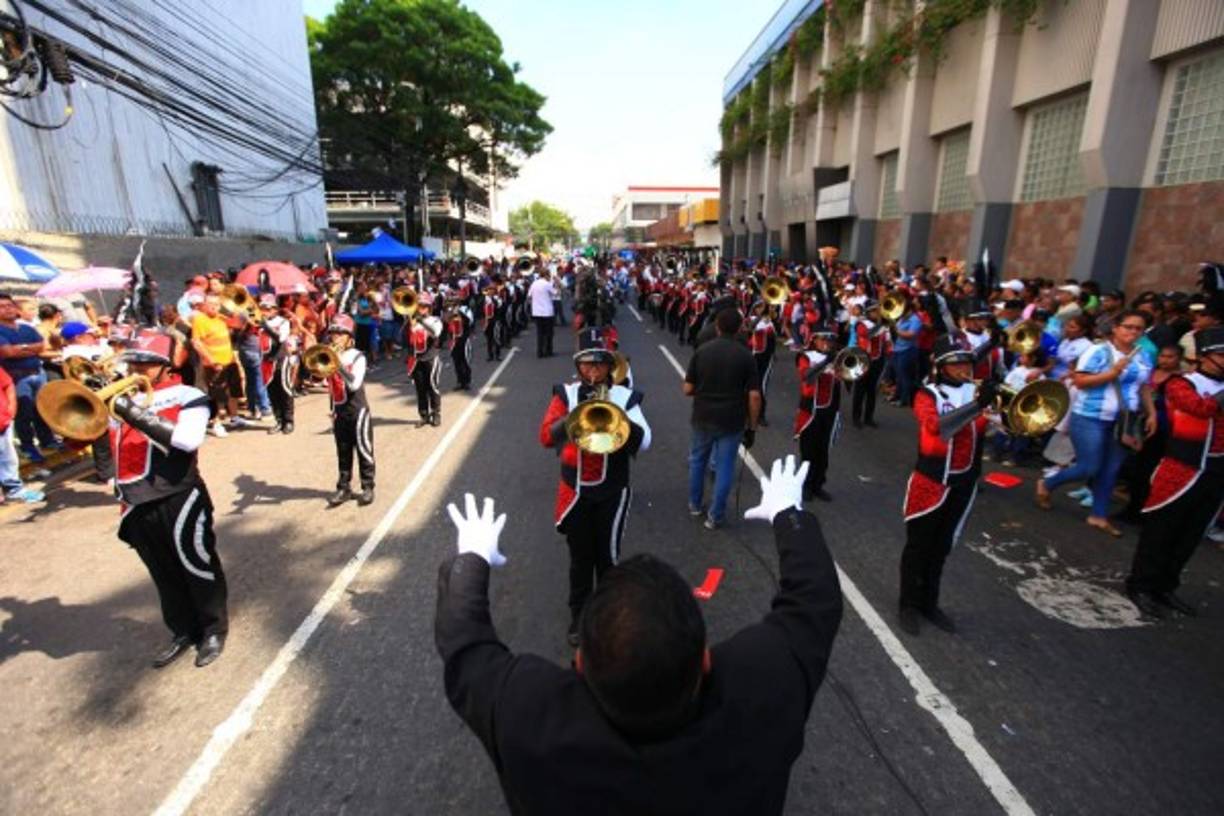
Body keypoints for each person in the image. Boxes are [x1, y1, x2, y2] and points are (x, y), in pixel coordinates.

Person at [434, 456, 842, 816]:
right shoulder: (764, 687)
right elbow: (814, 599)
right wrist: (791, 514)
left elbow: (463, 642)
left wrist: (471, 556)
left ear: (579, 665)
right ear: (704, 658)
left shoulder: (525, 715)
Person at [108, 331, 226, 668]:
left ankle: (213, 629)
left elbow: (186, 441)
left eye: (145, 363)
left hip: (178, 495)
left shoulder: (188, 396)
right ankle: (183, 630)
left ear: (164, 367)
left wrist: (130, 410)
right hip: (133, 499)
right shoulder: (119, 399)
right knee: (162, 572)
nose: (136, 369)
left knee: (196, 563)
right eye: (133, 361)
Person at [538, 335, 651, 646]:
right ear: (579, 367)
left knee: (609, 557)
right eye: (587, 364)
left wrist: (618, 417)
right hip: (574, 491)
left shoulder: (625, 397)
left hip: (613, 490)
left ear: (609, 368)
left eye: (599, 364)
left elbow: (646, 441)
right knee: (580, 558)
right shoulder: (566, 394)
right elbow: (546, 437)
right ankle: (580, 615)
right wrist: (573, 418)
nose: (592, 371)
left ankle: (610, 616)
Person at [899, 335, 995, 636]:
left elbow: (999, 425)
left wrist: (998, 410)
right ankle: (908, 605)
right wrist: (978, 406)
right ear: (941, 367)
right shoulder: (927, 394)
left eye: (966, 361)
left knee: (941, 547)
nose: (963, 367)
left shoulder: (977, 390)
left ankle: (930, 602)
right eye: (955, 363)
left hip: (964, 481)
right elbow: (937, 428)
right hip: (932, 481)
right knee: (918, 546)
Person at [1126, 327, 1224, 618]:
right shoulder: (1182, 383)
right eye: (1222, 355)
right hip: (1181, 470)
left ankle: (1165, 587)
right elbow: (1200, 408)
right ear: (1205, 357)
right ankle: (1141, 585)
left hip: (1216, 471)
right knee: (1161, 532)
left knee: (1190, 534)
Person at [1036, 310, 1156, 537]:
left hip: (1124, 420)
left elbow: (1143, 387)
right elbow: (1080, 381)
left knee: (1110, 469)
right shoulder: (1098, 351)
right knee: (1090, 466)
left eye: (1138, 328)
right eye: (1128, 326)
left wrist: (1151, 414)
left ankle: (1098, 515)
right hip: (1090, 416)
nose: (1133, 332)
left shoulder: (1143, 356)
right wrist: (1112, 373)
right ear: (1116, 328)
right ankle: (1048, 483)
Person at [684, 307, 761, 530]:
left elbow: (687, 388)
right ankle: (715, 515)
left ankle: (695, 504)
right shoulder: (746, 355)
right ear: (739, 328)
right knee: (725, 466)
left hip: (703, 415)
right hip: (732, 419)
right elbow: (754, 396)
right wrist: (752, 427)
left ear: (717, 326)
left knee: (698, 460)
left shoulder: (702, 351)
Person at [0, 292, 58, 462]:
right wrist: (31, 348)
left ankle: (48, 441)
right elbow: (7, 352)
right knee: (24, 414)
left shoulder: (26, 328)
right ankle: (28, 447)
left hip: (37, 373)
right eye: (2, 307)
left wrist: (22, 348)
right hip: (17, 377)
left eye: (9, 305)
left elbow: (42, 346)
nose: (7, 309)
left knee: (42, 409)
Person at [324, 315, 375, 507]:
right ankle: (344, 488)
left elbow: (354, 384)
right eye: (333, 333)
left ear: (348, 337)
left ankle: (368, 486)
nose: (335, 337)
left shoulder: (357, 356)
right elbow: (329, 385)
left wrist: (337, 365)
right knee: (343, 451)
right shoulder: (328, 355)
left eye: (340, 333)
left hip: (357, 410)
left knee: (363, 448)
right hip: (339, 410)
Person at [794, 326, 840, 502]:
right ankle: (805, 485)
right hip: (810, 410)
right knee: (808, 451)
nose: (826, 343)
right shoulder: (806, 356)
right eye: (823, 339)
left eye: (829, 340)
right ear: (814, 340)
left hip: (830, 410)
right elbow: (807, 376)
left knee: (823, 451)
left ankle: (818, 485)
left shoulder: (836, 358)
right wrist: (825, 362)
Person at [190, 294, 241, 437]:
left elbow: (239, 324)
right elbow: (197, 343)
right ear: (204, 305)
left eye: (217, 304)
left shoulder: (220, 318)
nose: (214, 307)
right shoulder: (200, 319)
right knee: (219, 395)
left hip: (229, 361)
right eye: (211, 304)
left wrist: (233, 310)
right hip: (214, 364)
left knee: (233, 391)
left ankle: (235, 417)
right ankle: (216, 423)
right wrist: (211, 361)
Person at [0, 365, 45, 504]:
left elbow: (8, 385)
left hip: (3, 421)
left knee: (8, 458)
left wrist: (11, 409)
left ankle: (14, 490)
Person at [404, 295, 445, 427]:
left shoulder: (435, 320)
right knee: (420, 389)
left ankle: (436, 413)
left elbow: (435, 333)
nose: (420, 308)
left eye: (423, 306)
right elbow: (405, 340)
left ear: (429, 308)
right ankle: (424, 415)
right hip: (416, 360)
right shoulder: (411, 321)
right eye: (418, 306)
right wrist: (409, 324)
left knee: (432, 386)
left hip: (430, 358)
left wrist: (421, 321)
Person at [261, 295, 298, 435]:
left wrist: (265, 326)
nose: (265, 311)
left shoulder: (283, 322)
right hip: (266, 361)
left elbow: (280, 338)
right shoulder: (258, 323)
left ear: (275, 309)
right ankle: (279, 420)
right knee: (272, 392)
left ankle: (288, 421)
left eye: (268, 308)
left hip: (281, 360)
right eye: (263, 308)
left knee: (285, 390)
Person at [851, 300, 890, 428]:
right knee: (860, 390)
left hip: (878, 360)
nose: (877, 313)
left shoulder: (883, 325)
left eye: (878, 310)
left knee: (872, 391)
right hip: (863, 360)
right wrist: (881, 325)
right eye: (874, 311)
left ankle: (868, 417)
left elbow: (887, 342)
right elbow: (867, 335)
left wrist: (889, 349)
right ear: (868, 312)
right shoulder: (861, 324)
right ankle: (856, 418)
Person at [527, 269, 556, 358]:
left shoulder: (534, 284)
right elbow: (555, 293)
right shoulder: (547, 284)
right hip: (547, 312)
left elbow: (529, 296)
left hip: (537, 312)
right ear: (546, 275)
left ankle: (539, 351)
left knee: (540, 333)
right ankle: (548, 350)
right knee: (549, 333)